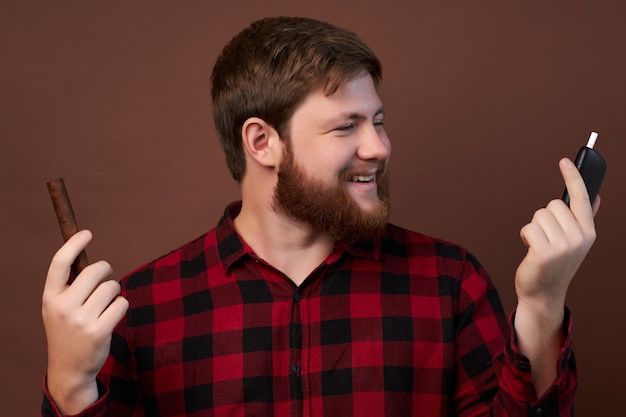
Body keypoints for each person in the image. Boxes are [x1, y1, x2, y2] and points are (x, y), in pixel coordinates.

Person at [41, 16, 599, 417]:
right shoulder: (140, 311)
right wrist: (71, 385)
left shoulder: (449, 282)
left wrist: (543, 306)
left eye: (378, 121)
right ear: (263, 142)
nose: (379, 147)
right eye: (345, 126)